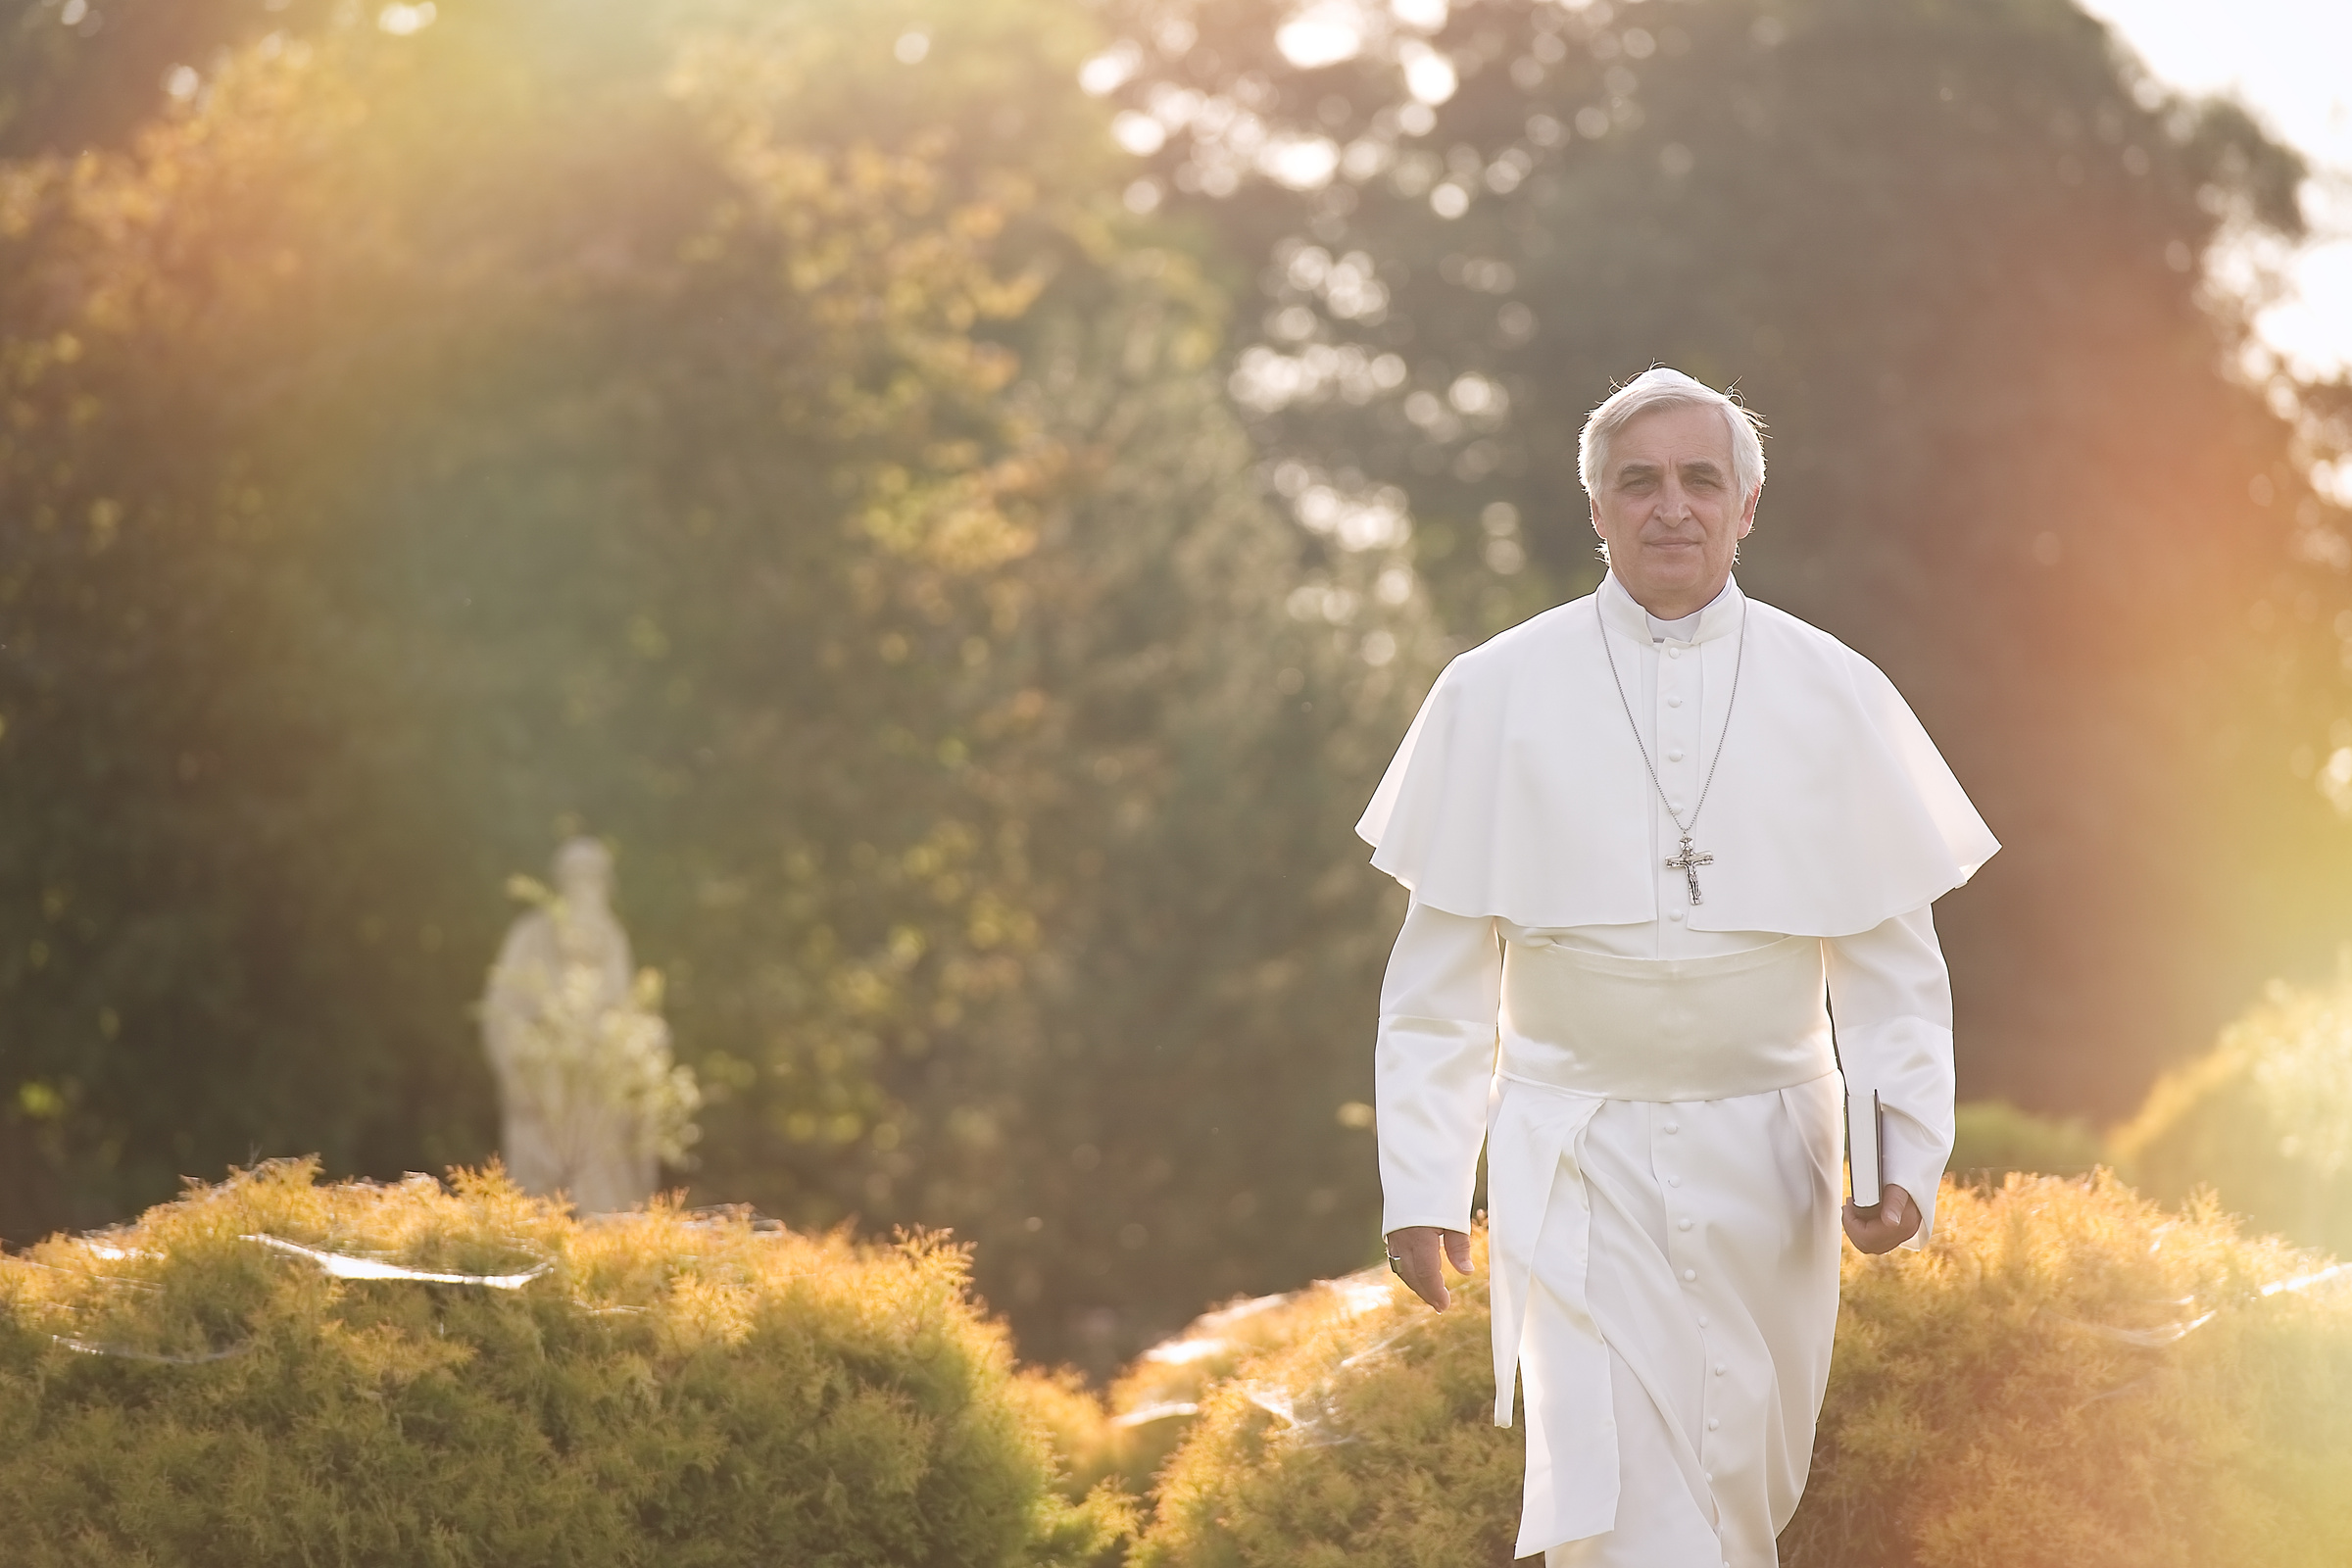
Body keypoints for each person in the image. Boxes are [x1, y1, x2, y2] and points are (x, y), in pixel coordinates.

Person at [1360, 368, 1996, 1566]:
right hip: (1574, 1151)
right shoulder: (1492, 692)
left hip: (1775, 1159)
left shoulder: (1835, 690)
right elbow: (1438, 982)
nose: (1672, 508)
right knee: (1623, 1499)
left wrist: (1902, 1149)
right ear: (1594, 505)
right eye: (1637, 482)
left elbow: (1891, 967)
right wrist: (1424, 1181)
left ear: (1747, 505)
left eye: (1701, 480)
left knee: (1741, 1477)